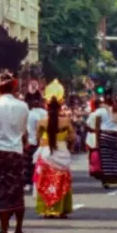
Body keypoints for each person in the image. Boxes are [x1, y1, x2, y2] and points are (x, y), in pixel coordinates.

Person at [0, 72, 30, 233]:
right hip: (16, 151)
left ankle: (4, 229)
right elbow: (23, 130)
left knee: (2, 190)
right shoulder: (23, 106)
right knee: (17, 189)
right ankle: (18, 228)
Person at [34, 89, 76, 219]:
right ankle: (61, 209)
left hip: (46, 153)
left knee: (46, 182)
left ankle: (47, 209)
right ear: (60, 107)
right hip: (62, 152)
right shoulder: (66, 121)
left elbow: (38, 139)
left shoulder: (42, 122)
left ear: (46, 107)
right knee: (61, 182)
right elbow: (72, 138)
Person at [92, 95, 117, 188]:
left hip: (104, 136)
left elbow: (97, 127)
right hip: (114, 137)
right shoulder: (116, 110)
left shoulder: (100, 111)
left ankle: (106, 181)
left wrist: (96, 141)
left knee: (105, 161)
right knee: (116, 158)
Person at [25, 92, 47, 192]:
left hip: (31, 142)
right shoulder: (44, 113)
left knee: (29, 164)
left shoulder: (30, 113)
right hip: (42, 142)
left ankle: (29, 182)